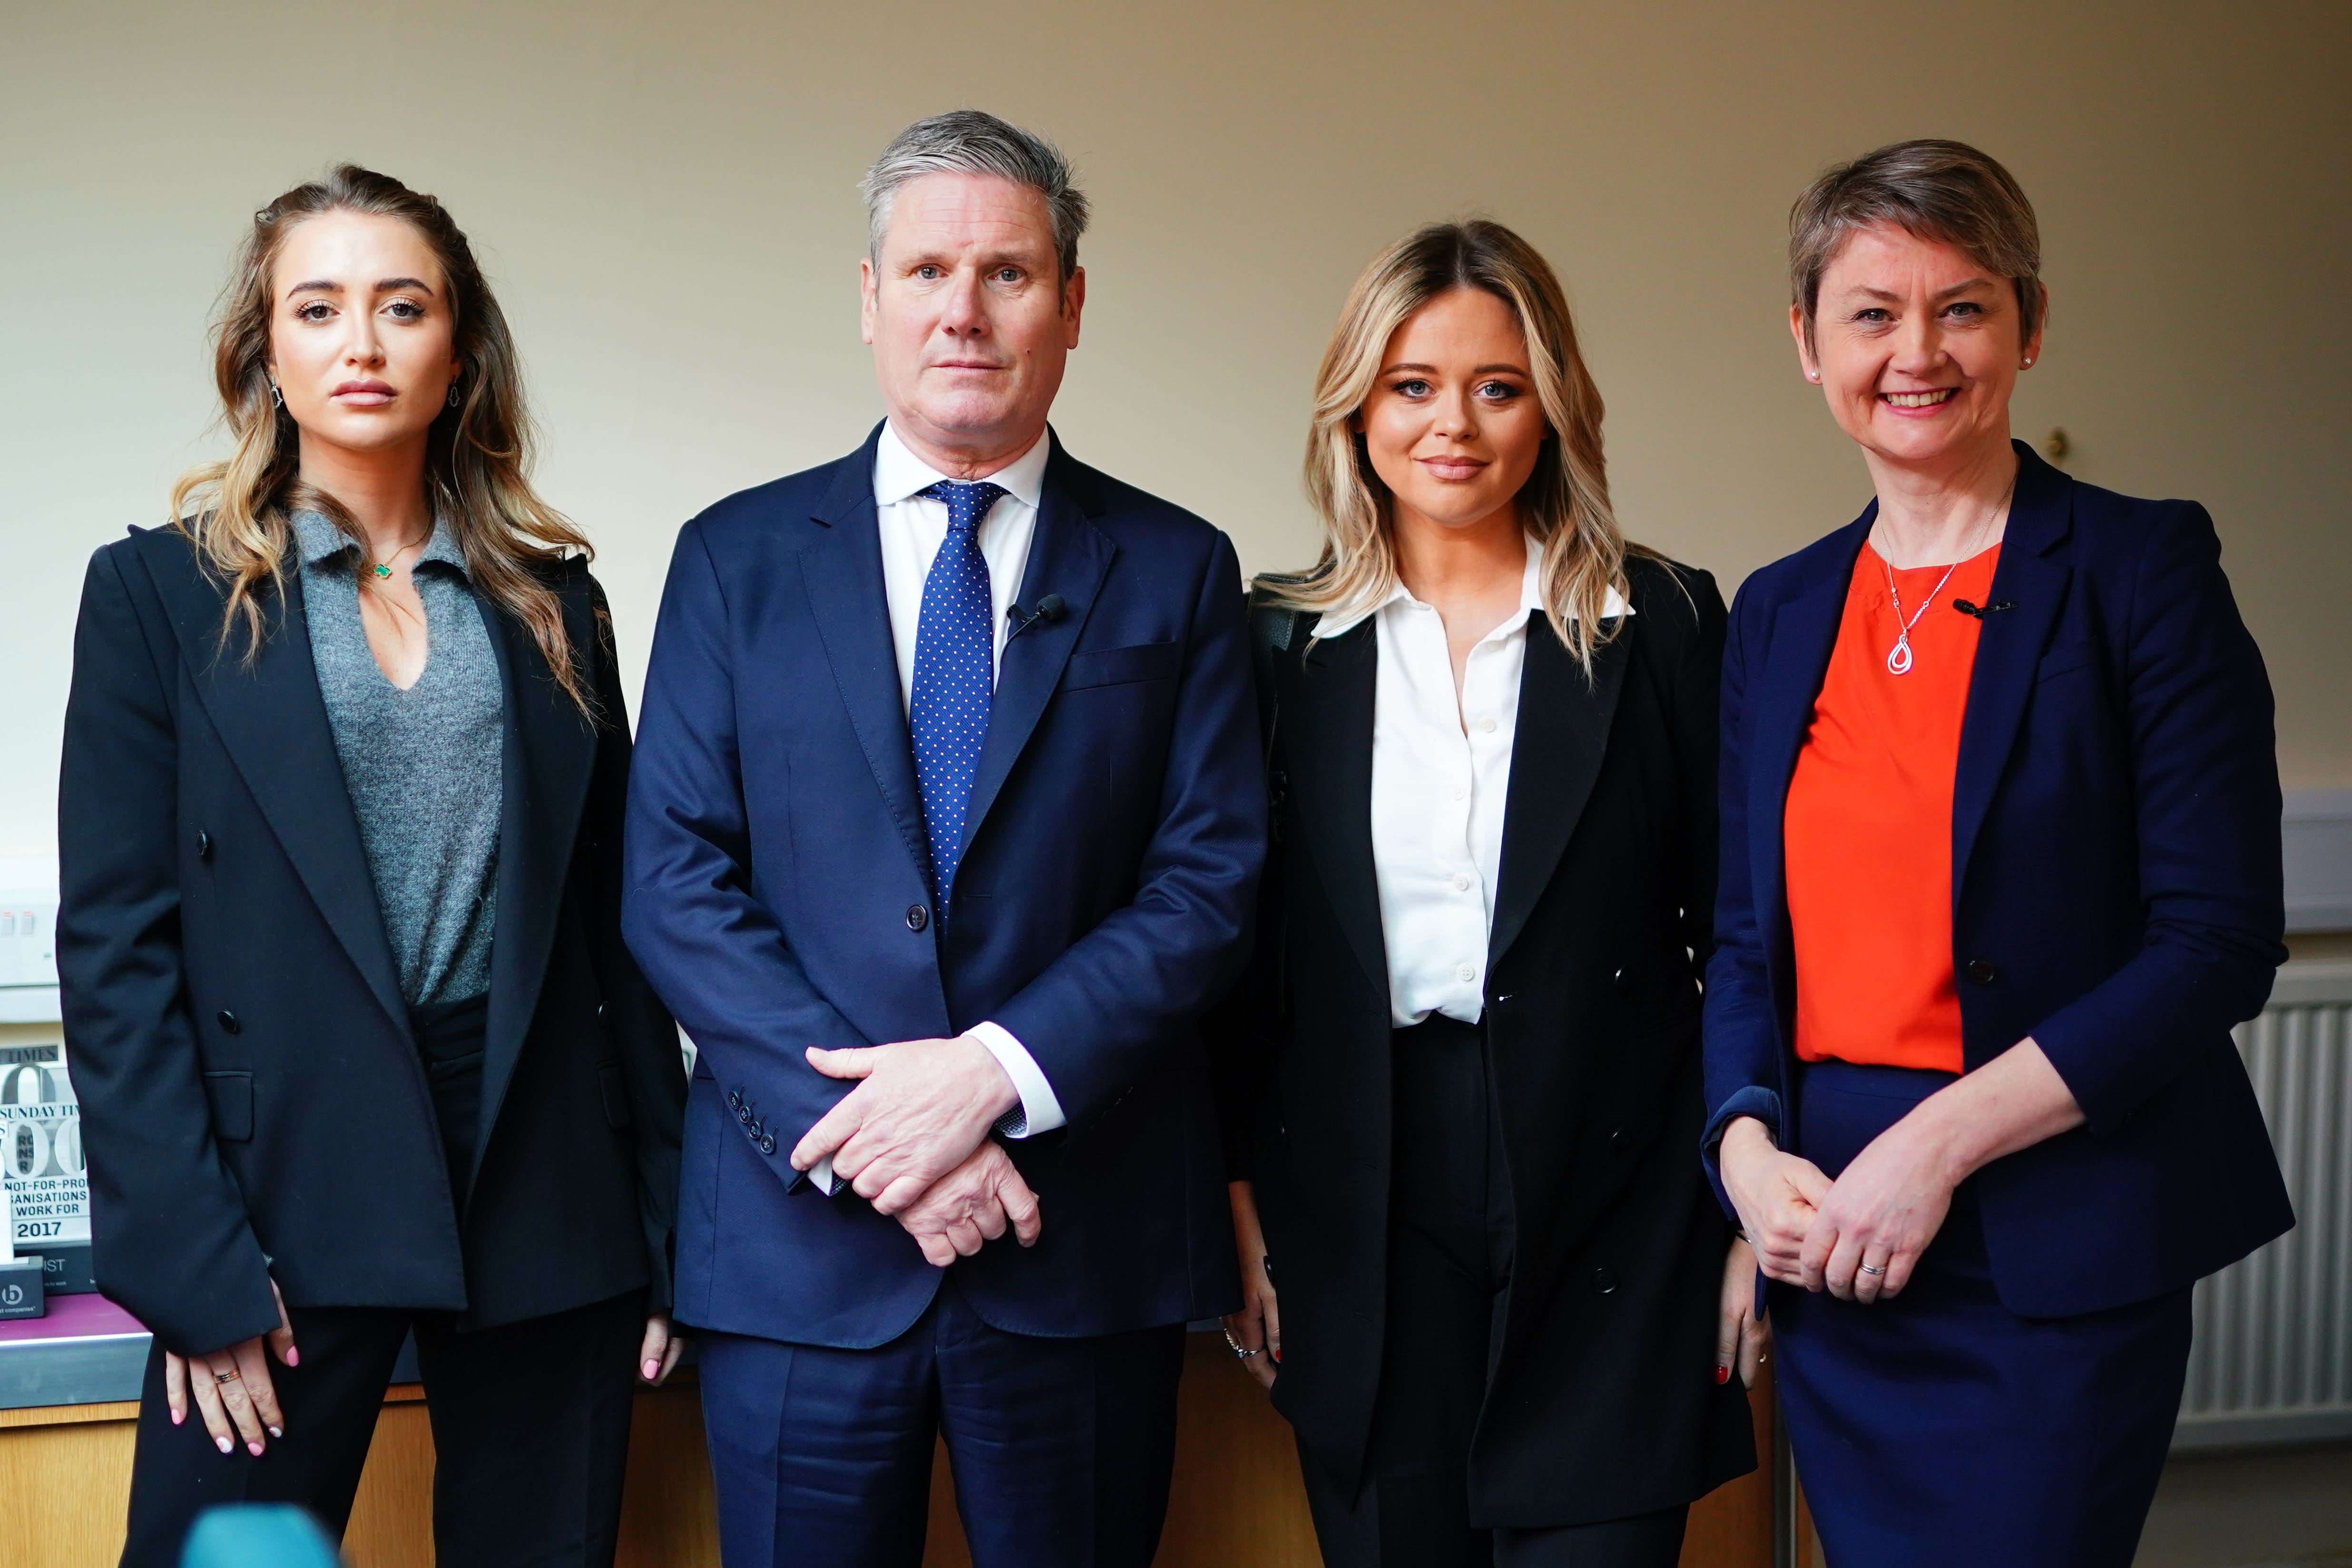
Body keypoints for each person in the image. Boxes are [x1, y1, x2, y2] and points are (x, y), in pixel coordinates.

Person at [621, 111, 1264, 1568]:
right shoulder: (735, 558)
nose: (962, 311)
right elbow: (674, 882)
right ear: (869, 300)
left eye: (1008, 273)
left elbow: (1209, 884)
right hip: (802, 1259)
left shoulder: (1177, 567)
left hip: (1079, 1243)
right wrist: (892, 1146)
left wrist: (991, 1074)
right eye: (925, 272)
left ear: (1074, 304)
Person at [58, 166, 686, 1568]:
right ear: (264, 353)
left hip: (543, 1186)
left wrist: (661, 1221)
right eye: (319, 307)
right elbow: (114, 956)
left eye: (404, 308)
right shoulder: (158, 598)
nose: (361, 341)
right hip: (279, 1198)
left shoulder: (556, 602)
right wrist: (189, 1267)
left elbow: (615, 928)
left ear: (458, 355)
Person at [1704, 139, 2293, 1568]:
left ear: (2031, 325)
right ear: (1806, 341)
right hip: (1836, 1239)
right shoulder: (1778, 611)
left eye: (1964, 307)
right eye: (1873, 312)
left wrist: (1938, 1147)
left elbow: (2217, 940)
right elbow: (1737, 941)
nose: (1920, 351)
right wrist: (1743, 1155)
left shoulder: (2142, 570)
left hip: (2050, 1236)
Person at [1212, 220, 1759, 1568]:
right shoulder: (1274, 641)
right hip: (1358, 1200)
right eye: (1413, 384)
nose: (1453, 423)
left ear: (1553, 405)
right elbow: (1231, 955)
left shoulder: (1666, 622)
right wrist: (1232, 1204)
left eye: (1498, 386)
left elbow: (1745, 931)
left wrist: (1748, 1204)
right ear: (1357, 406)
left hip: (1617, 1197)